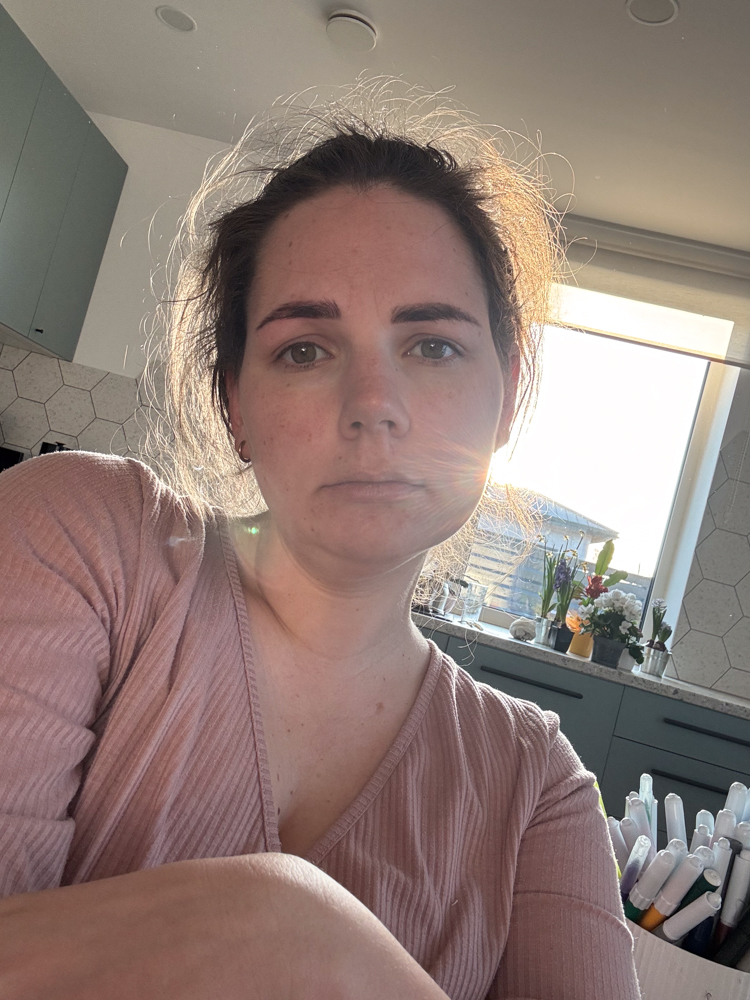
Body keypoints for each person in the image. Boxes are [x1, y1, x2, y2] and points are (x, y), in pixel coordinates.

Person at [0, 84, 642, 999]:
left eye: (433, 346)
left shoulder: (539, 791)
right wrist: (275, 925)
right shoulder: (81, 537)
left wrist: (305, 941)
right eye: (305, 349)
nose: (373, 404)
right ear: (235, 405)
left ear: (505, 400)